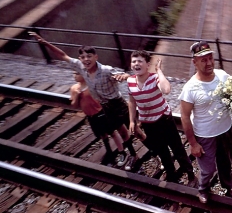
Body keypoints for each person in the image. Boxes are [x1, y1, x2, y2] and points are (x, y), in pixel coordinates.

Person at [31, 32, 139, 171]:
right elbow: (62, 55)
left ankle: (150, 151)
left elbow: (124, 76)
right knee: (120, 131)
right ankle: (132, 155)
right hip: (105, 106)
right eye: (83, 57)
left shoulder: (105, 70)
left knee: (134, 130)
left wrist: (124, 76)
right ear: (79, 59)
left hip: (117, 103)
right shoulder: (80, 67)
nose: (86, 59)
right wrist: (45, 43)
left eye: (89, 56)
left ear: (96, 57)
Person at [179, 41, 232, 204]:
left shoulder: (222, 75)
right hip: (205, 135)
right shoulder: (190, 88)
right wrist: (193, 144)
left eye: (210, 58)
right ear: (195, 62)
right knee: (208, 169)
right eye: (203, 60)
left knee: (226, 162)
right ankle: (203, 189)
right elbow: (185, 117)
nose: (208, 63)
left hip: (225, 130)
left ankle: (228, 186)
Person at [127, 50, 194, 182]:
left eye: (140, 61)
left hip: (164, 120)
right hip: (148, 123)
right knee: (162, 151)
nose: (136, 64)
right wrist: (132, 121)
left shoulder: (154, 78)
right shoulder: (130, 81)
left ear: (147, 64)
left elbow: (166, 90)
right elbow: (132, 101)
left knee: (177, 148)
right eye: (134, 61)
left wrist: (159, 71)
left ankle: (190, 173)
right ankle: (171, 174)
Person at [70, 71, 127, 166]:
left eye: (77, 74)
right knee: (102, 135)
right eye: (74, 74)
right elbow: (74, 105)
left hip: (101, 113)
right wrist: (76, 96)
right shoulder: (74, 88)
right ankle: (109, 152)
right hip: (91, 116)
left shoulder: (91, 85)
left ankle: (121, 151)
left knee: (112, 132)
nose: (74, 76)